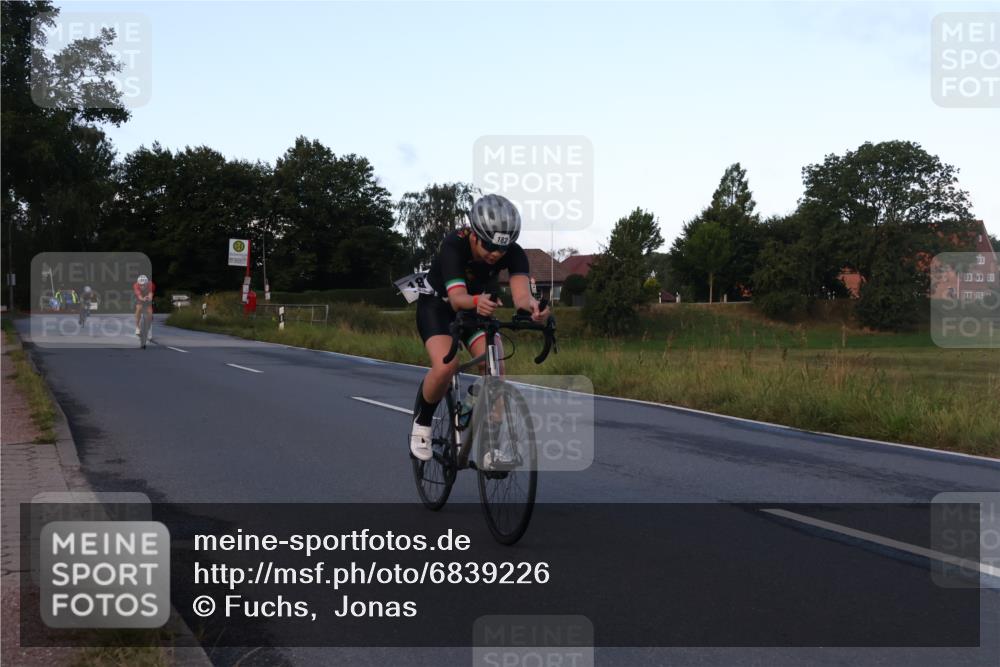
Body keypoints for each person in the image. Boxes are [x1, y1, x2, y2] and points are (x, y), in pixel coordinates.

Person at [410, 194, 549, 461]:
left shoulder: (514, 253)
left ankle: (490, 447)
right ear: (474, 235)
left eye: (503, 249)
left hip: (476, 304)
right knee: (446, 366)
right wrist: (476, 301)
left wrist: (533, 308)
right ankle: (422, 424)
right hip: (439, 305)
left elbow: (521, 297)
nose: (495, 255)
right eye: (488, 246)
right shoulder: (454, 244)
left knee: (495, 371)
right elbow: (457, 298)